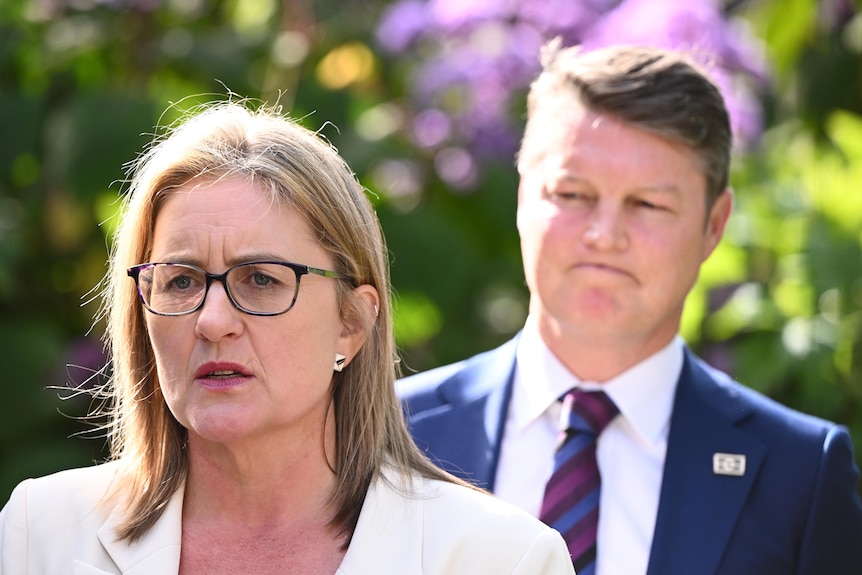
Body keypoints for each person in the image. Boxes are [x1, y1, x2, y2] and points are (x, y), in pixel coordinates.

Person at [0, 100, 575, 574]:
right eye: (180, 280)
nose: (213, 320)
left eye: (261, 280)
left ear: (352, 322)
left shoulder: (499, 559)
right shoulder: (40, 533)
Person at [398, 41, 862, 575]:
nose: (604, 235)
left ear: (714, 225)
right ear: (525, 196)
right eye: (572, 195)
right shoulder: (386, 434)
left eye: (647, 205)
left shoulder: (798, 475)